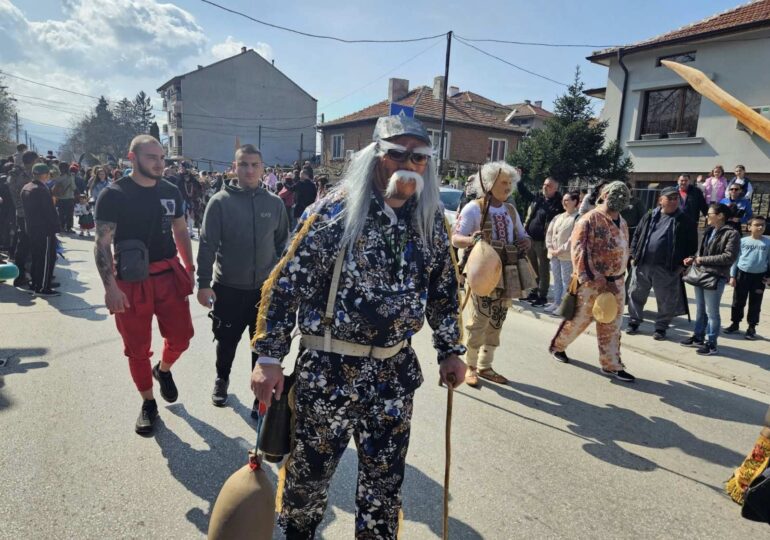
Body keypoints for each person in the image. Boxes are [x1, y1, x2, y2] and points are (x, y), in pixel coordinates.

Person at [250, 115, 466, 539]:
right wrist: (269, 356)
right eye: (397, 153)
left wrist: (451, 349)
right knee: (308, 483)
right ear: (375, 157)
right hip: (330, 372)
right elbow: (285, 285)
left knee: (384, 489)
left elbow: (444, 291)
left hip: (393, 375)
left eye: (419, 156)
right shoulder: (334, 212)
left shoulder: (431, 223)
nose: (409, 162)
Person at [94, 135, 195, 435]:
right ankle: (148, 402)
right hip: (130, 280)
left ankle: (162, 370)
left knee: (182, 337)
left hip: (168, 274)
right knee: (137, 348)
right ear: (132, 157)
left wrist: (189, 267)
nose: (159, 163)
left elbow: (181, 230)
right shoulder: (114, 194)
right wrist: (110, 288)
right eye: (152, 157)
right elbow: (102, 244)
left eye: (162, 157)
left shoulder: (171, 190)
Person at [196, 144, 289, 409]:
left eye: (254, 164)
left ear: (262, 168)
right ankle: (221, 379)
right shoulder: (219, 203)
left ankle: (259, 399)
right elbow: (206, 245)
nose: (249, 169)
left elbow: (284, 244)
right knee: (226, 341)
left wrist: (283, 283)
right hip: (228, 289)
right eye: (243, 164)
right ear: (234, 168)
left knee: (261, 348)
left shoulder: (275, 203)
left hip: (265, 292)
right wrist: (203, 284)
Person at [452, 161, 531, 386]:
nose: (508, 187)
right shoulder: (473, 208)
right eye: (503, 182)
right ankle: (470, 366)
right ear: (488, 183)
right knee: (479, 320)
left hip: (506, 274)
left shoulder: (511, 210)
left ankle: (486, 366)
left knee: (497, 320)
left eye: (510, 183)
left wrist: (525, 242)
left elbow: (522, 234)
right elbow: (456, 239)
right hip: (481, 273)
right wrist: (472, 240)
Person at [549, 181, 635, 382]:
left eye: (625, 195)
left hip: (617, 284)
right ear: (604, 194)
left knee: (612, 325)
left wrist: (622, 274)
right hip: (592, 284)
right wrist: (593, 278)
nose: (620, 198)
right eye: (616, 194)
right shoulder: (589, 219)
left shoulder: (622, 221)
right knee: (578, 321)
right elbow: (578, 251)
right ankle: (558, 346)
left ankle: (611, 364)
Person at [626, 186, 698, 340]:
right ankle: (634, 321)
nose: (673, 201)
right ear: (660, 200)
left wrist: (683, 265)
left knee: (666, 300)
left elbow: (692, 246)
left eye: (676, 198)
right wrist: (633, 255)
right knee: (635, 293)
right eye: (669, 198)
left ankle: (661, 327)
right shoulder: (650, 216)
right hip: (642, 264)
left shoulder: (684, 220)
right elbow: (637, 235)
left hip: (667, 268)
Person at [680, 203, 740, 356]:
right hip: (701, 274)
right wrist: (693, 259)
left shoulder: (731, 233)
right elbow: (702, 253)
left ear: (720, 216)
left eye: (710, 213)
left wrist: (702, 259)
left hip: (715, 276)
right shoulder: (709, 231)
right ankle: (698, 337)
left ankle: (711, 343)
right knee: (701, 310)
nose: (707, 216)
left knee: (712, 312)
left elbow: (729, 257)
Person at [518, 176, 563, 306]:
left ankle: (542, 295)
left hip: (544, 242)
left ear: (555, 188)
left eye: (548, 185)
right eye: (544, 184)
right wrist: (520, 180)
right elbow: (525, 194)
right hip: (530, 238)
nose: (545, 187)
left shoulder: (559, 204)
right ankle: (533, 291)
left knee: (543, 269)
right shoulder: (538, 199)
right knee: (532, 268)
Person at [724, 216, 770, 340]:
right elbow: (736, 260)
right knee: (738, 301)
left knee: (755, 303)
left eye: (763, 225)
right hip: (742, 275)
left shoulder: (768, 243)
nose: (760, 227)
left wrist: (768, 277)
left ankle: (752, 327)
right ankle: (735, 323)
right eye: (757, 224)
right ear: (749, 227)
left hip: (759, 277)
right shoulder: (742, 241)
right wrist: (733, 276)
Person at [20, 163, 60, 296]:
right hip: (45, 230)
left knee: (37, 257)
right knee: (47, 258)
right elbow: (48, 212)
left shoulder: (27, 187)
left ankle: (37, 282)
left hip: (33, 228)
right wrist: (56, 227)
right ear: (45, 175)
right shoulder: (41, 189)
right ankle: (43, 286)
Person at [544, 191, 580, 313]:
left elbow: (573, 238)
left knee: (566, 282)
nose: (564, 202)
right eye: (563, 200)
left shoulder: (577, 218)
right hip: (554, 255)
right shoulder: (557, 217)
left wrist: (560, 250)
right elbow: (549, 233)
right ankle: (556, 302)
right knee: (557, 279)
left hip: (566, 256)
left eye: (567, 200)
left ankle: (564, 307)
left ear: (575, 202)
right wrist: (550, 248)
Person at [8, 150, 37, 288]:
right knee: (25, 245)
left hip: (22, 212)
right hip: (26, 213)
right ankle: (23, 276)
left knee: (25, 245)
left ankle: (26, 275)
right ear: (32, 161)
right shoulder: (24, 175)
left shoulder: (17, 173)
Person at [53, 162, 77, 233]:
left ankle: (61, 227)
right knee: (69, 214)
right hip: (69, 197)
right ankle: (69, 228)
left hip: (59, 198)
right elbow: (73, 187)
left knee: (61, 214)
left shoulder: (57, 177)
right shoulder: (70, 176)